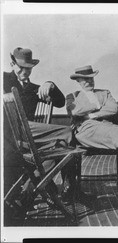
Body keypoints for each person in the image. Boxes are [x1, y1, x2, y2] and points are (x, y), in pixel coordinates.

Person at [3, 47, 74, 221]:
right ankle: (68, 186)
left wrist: (50, 84)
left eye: (28, 68)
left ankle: (26, 195)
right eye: (21, 67)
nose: (24, 72)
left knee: (60, 145)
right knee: (67, 133)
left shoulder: (35, 89)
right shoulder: (3, 79)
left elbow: (59, 102)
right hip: (8, 137)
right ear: (12, 64)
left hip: (30, 137)